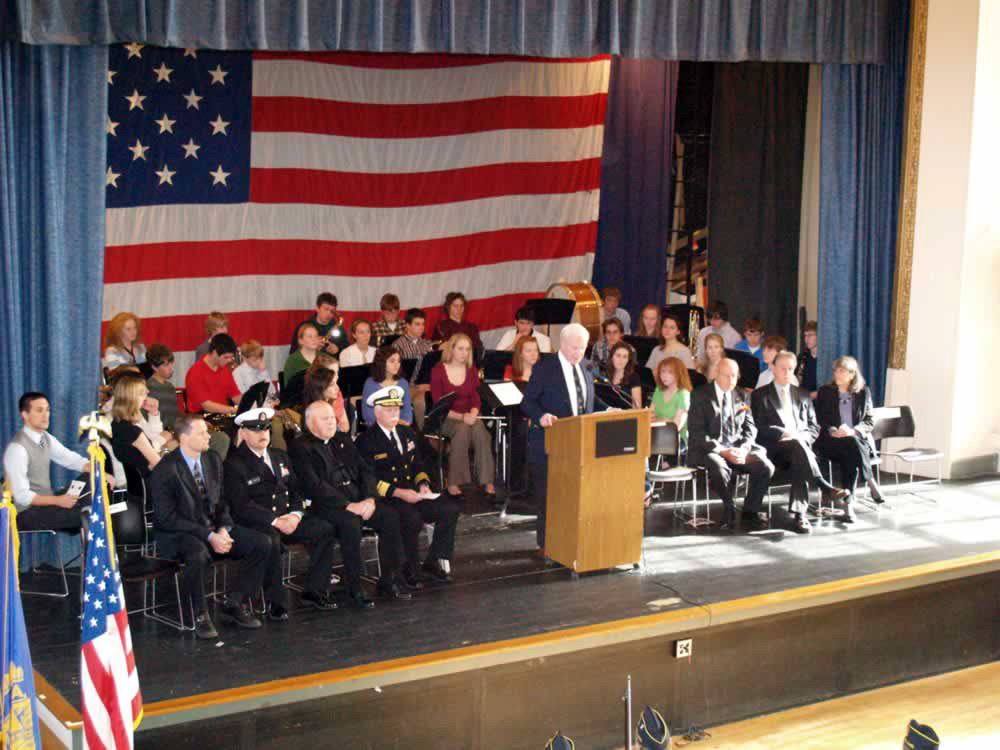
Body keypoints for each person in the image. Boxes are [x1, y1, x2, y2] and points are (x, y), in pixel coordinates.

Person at [149, 414, 276, 639]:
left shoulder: (213, 460)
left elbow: (222, 501)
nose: (209, 436)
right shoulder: (165, 470)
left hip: (212, 528)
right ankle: (200, 614)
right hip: (181, 533)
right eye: (202, 433)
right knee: (197, 553)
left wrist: (224, 528)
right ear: (185, 438)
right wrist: (208, 536)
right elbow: (166, 518)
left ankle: (235, 602)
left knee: (262, 543)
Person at [289, 400, 413, 607]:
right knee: (351, 524)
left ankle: (390, 579)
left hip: (358, 499)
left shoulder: (342, 439)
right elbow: (313, 485)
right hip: (325, 505)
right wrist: (348, 505)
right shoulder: (301, 447)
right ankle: (355, 588)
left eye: (332, 418)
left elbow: (365, 471)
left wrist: (370, 498)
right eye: (325, 419)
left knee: (390, 516)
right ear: (310, 423)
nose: (331, 423)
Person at [223, 407, 340, 616]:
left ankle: (315, 591)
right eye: (256, 430)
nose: (263, 435)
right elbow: (241, 506)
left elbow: (297, 488)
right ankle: (274, 601)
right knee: (272, 540)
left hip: (288, 518)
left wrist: (295, 515)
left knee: (324, 529)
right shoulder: (235, 464)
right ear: (243, 433)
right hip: (260, 523)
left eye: (266, 429)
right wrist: (276, 521)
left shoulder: (280, 456)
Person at [356, 386, 460, 584]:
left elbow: (419, 464)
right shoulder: (366, 441)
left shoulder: (407, 433)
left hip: (413, 493)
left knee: (450, 508)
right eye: (389, 410)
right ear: (377, 412)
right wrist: (399, 493)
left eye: (397, 409)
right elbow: (367, 479)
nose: (395, 413)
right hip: (389, 498)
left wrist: (422, 483)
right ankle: (409, 569)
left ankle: (432, 560)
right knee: (411, 518)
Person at [521, 323, 609, 550]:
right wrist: (540, 416)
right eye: (574, 348)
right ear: (562, 344)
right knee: (549, 498)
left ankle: (573, 540)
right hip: (550, 443)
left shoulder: (587, 366)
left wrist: (607, 410)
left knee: (576, 496)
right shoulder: (545, 367)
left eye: (582, 348)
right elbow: (527, 402)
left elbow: (589, 400)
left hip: (581, 443)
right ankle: (547, 545)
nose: (578, 353)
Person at [750, 351, 849, 533]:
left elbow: (814, 427)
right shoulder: (760, 395)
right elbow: (759, 427)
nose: (787, 373)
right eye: (783, 368)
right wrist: (784, 433)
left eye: (791, 369)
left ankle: (800, 515)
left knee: (799, 454)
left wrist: (800, 437)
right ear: (773, 369)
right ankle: (822, 487)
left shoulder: (802, 395)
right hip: (774, 450)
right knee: (799, 450)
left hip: (799, 449)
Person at [687, 358, 774, 531]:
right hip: (710, 449)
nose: (731, 380)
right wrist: (724, 451)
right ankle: (729, 507)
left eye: (734, 376)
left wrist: (743, 448)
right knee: (718, 465)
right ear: (716, 374)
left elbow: (750, 428)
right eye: (726, 376)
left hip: (737, 448)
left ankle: (750, 511)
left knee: (766, 466)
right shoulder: (700, 394)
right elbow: (696, 432)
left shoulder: (742, 395)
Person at [3, 392, 100, 532]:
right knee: (88, 514)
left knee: (91, 479)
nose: (45, 415)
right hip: (24, 513)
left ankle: (86, 508)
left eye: (47, 409)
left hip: (47, 504)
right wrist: (59, 501)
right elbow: (22, 497)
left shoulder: (45, 438)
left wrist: (100, 472)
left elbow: (71, 459)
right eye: (39, 410)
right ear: (25, 415)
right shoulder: (17, 449)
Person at [430, 333, 496, 498]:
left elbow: (476, 398)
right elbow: (438, 403)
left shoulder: (471, 370)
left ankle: (488, 481)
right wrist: (463, 417)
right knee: (462, 430)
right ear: (451, 349)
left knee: (482, 433)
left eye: (467, 349)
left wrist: (473, 413)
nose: (464, 353)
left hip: (469, 416)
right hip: (447, 417)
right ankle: (453, 481)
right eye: (460, 348)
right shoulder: (438, 371)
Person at [815, 356, 885, 506]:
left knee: (851, 448)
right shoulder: (825, 391)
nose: (837, 374)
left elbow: (869, 420)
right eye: (836, 371)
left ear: (852, 374)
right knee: (852, 448)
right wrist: (833, 430)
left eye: (842, 371)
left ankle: (849, 501)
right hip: (831, 441)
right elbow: (820, 417)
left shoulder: (863, 393)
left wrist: (854, 431)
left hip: (854, 440)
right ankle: (870, 481)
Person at [110, 373, 166, 478]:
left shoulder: (116, 424)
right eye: (143, 393)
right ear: (133, 398)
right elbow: (159, 465)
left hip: (137, 484)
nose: (147, 394)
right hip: (149, 484)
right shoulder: (133, 432)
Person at [392, 308, 434, 428]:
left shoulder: (427, 344)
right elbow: (396, 373)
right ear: (408, 326)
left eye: (423, 324)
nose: (421, 327)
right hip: (407, 386)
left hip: (426, 384)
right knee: (420, 400)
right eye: (417, 324)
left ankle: (436, 431)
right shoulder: (398, 345)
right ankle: (420, 435)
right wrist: (416, 386)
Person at [185, 333, 241, 415]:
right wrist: (233, 410)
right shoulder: (195, 372)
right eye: (226, 357)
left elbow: (235, 394)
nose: (229, 360)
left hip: (222, 414)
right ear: (214, 352)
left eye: (231, 357)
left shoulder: (225, 368)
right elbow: (206, 405)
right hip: (202, 418)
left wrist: (249, 405)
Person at [362, 348, 414, 427]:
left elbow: (407, 410)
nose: (397, 365)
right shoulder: (370, 384)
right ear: (382, 363)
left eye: (398, 361)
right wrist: (394, 422)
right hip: (378, 428)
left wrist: (406, 422)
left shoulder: (403, 383)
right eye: (392, 361)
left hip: (400, 426)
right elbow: (368, 414)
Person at [290, 292, 346, 356]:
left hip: (332, 364)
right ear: (317, 308)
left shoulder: (338, 328)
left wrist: (338, 350)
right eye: (326, 309)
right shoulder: (304, 327)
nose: (329, 314)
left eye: (332, 311)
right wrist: (311, 348)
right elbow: (293, 353)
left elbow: (347, 351)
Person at [651, 357, 692, 445]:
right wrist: (665, 420)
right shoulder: (659, 389)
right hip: (656, 433)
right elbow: (650, 415)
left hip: (677, 440)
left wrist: (657, 420)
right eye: (662, 371)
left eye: (670, 372)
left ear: (678, 374)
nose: (664, 375)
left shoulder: (683, 394)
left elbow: (675, 427)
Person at [302, 363, 350, 433]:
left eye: (336, 384)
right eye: (332, 385)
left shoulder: (329, 404)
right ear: (321, 388)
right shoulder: (314, 413)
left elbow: (345, 427)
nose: (337, 388)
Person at [146, 343, 180, 430]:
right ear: (154, 367)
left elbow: (175, 417)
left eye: (171, 363)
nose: (171, 368)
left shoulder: (170, 386)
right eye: (166, 365)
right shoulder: (149, 388)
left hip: (174, 431)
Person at [605, 341, 642, 409]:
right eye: (618, 355)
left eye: (625, 357)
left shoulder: (633, 377)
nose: (621, 360)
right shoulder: (604, 375)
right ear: (611, 357)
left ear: (628, 360)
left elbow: (637, 408)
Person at [796, 320, 819, 398]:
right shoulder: (802, 356)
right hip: (804, 399)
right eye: (805, 335)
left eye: (810, 335)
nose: (806, 339)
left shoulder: (825, 358)